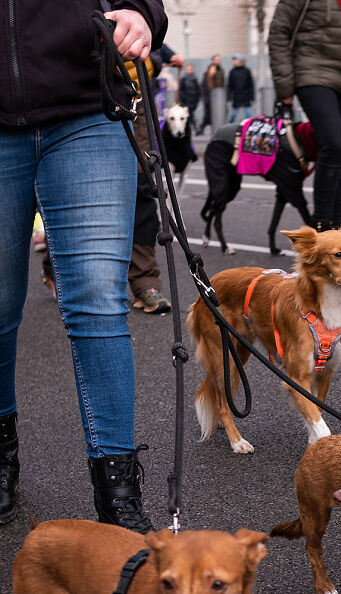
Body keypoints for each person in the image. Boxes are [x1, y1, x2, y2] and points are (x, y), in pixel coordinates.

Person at [0, 1, 167, 529]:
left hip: (87, 111)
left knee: (97, 301)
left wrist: (142, 13)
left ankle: (118, 488)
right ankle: (2, 450)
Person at [268, 0, 341, 232]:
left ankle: (334, 229)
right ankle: (320, 227)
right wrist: (284, 88)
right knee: (334, 146)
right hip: (312, 73)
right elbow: (279, 33)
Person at [127, 43, 185, 315]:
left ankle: (145, 282)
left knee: (144, 197)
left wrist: (163, 54)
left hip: (135, 99)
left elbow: (143, 14)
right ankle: (57, 269)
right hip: (82, 103)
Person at [227, 54, 255, 124]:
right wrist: (229, 96)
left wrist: (251, 96)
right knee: (233, 114)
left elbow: (250, 85)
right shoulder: (232, 71)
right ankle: (229, 127)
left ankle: (248, 127)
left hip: (246, 96)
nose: (234, 62)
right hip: (236, 96)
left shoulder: (247, 71)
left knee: (248, 114)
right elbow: (230, 86)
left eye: (235, 60)